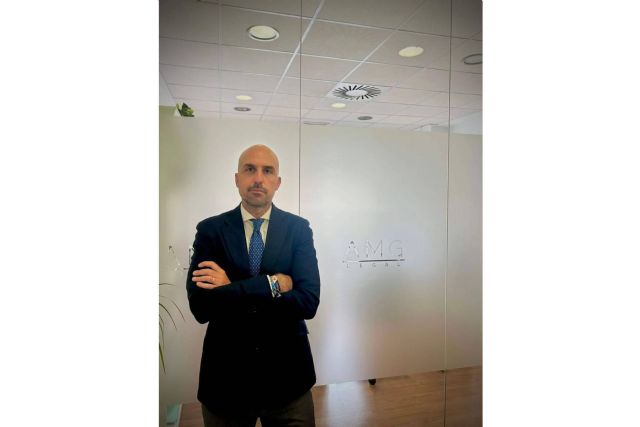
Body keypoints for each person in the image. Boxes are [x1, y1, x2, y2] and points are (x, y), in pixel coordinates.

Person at [186, 144, 321, 427]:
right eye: (250, 169)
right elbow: (201, 307)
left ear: (277, 182)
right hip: (226, 382)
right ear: (237, 179)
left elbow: (308, 302)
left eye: (267, 171)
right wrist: (273, 284)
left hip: (288, 380)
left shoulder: (298, 229)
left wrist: (229, 287)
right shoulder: (211, 231)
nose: (258, 178)